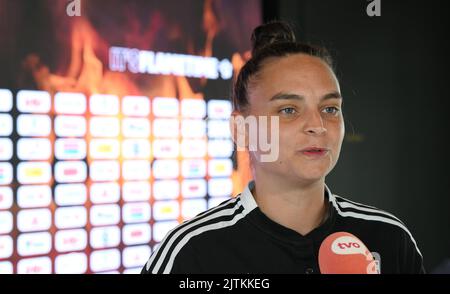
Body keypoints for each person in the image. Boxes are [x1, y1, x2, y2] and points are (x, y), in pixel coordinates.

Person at [141, 21, 425, 274]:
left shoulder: (389, 237)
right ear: (242, 130)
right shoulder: (192, 252)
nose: (318, 125)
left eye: (329, 108)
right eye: (289, 110)